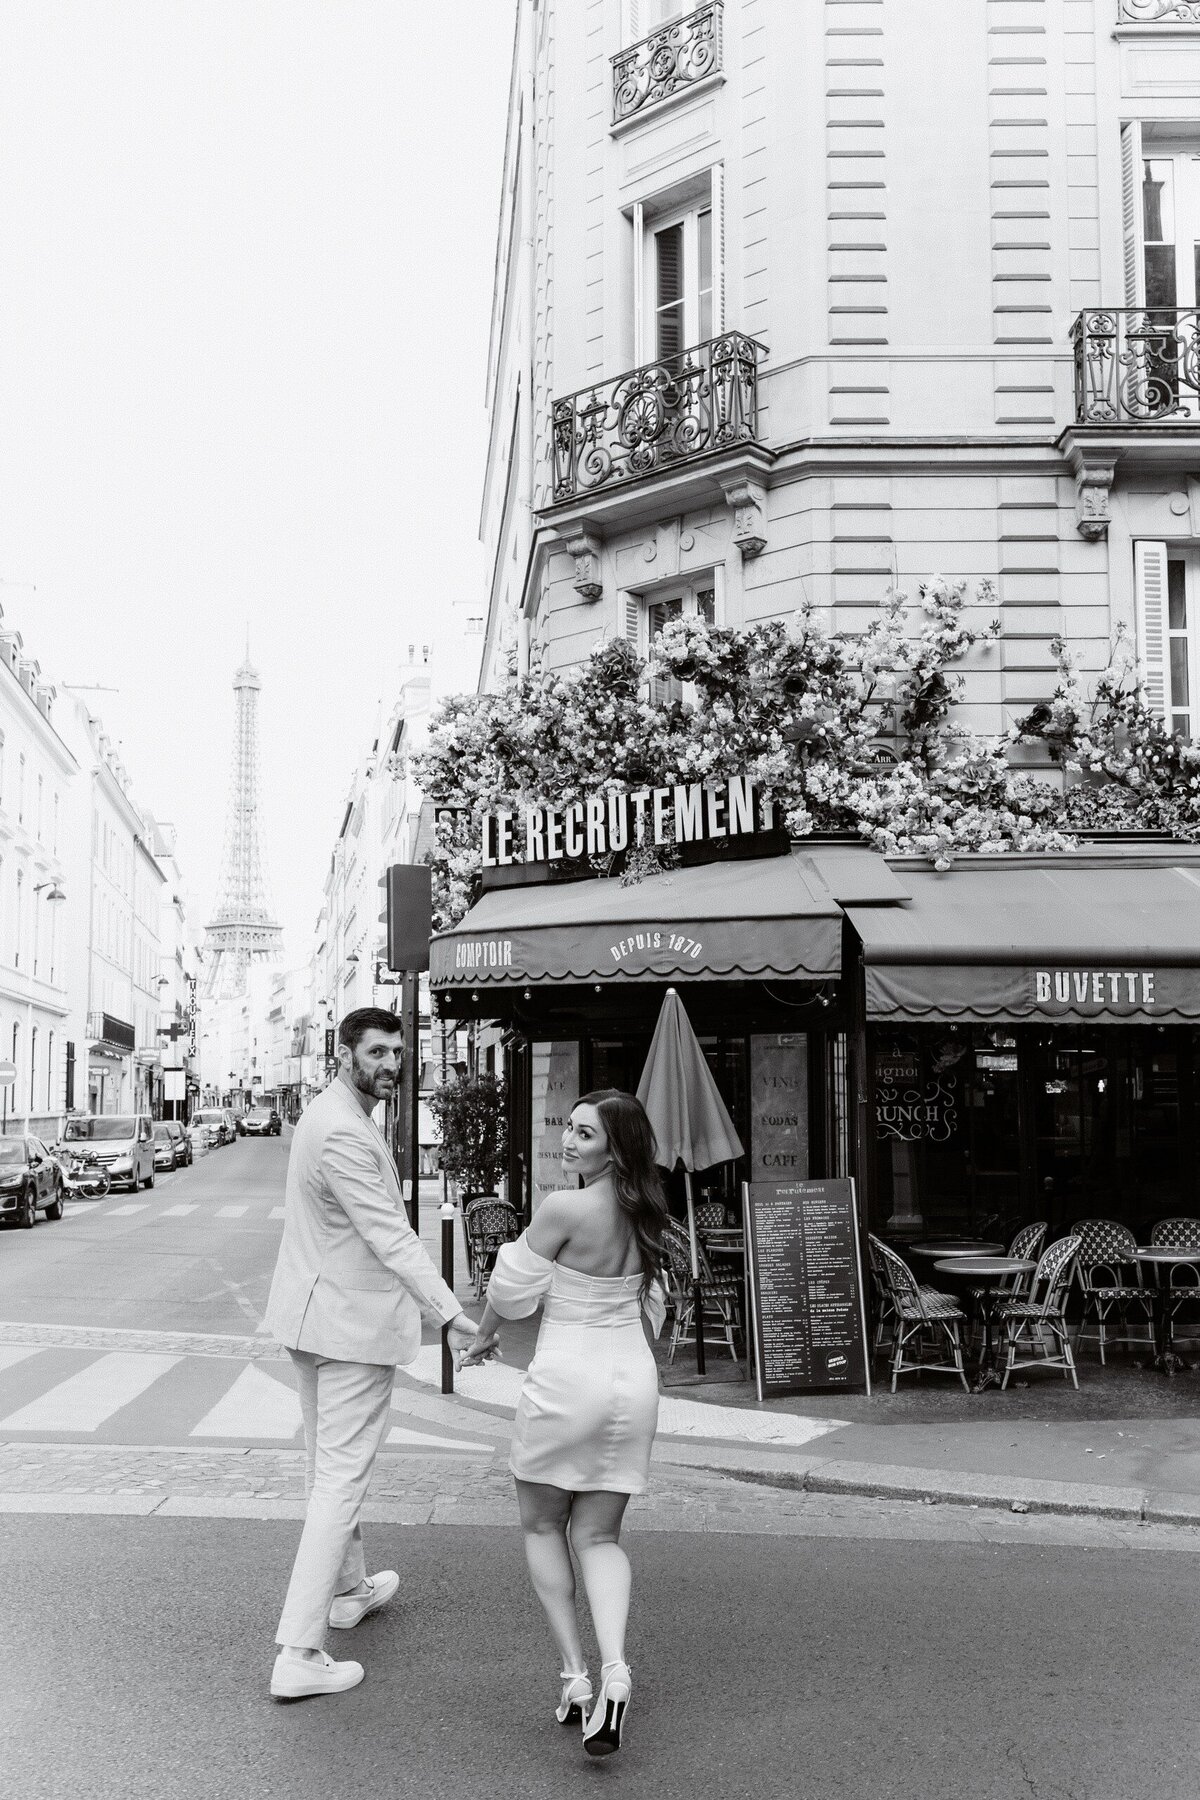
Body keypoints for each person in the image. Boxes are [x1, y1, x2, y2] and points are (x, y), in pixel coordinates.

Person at [264, 1006, 477, 1701]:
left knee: (328, 1467)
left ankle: (348, 1590)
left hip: (316, 1319)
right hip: (346, 1330)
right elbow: (391, 1235)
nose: (393, 1063)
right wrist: (450, 1311)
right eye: (379, 1052)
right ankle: (299, 1649)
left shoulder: (334, 1114)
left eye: (398, 1052)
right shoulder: (342, 1132)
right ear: (344, 1052)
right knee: (339, 1480)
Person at [462, 1088, 668, 1759]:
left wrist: (482, 1339)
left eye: (585, 1135)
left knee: (543, 1524)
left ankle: (576, 1679)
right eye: (570, 1130)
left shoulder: (565, 1207)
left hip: (566, 1379)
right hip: (630, 1383)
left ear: (615, 1146)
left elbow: (510, 1289)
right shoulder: (649, 1213)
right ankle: (618, 1670)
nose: (569, 1141)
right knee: (601, 1537)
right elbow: (655, 1308)